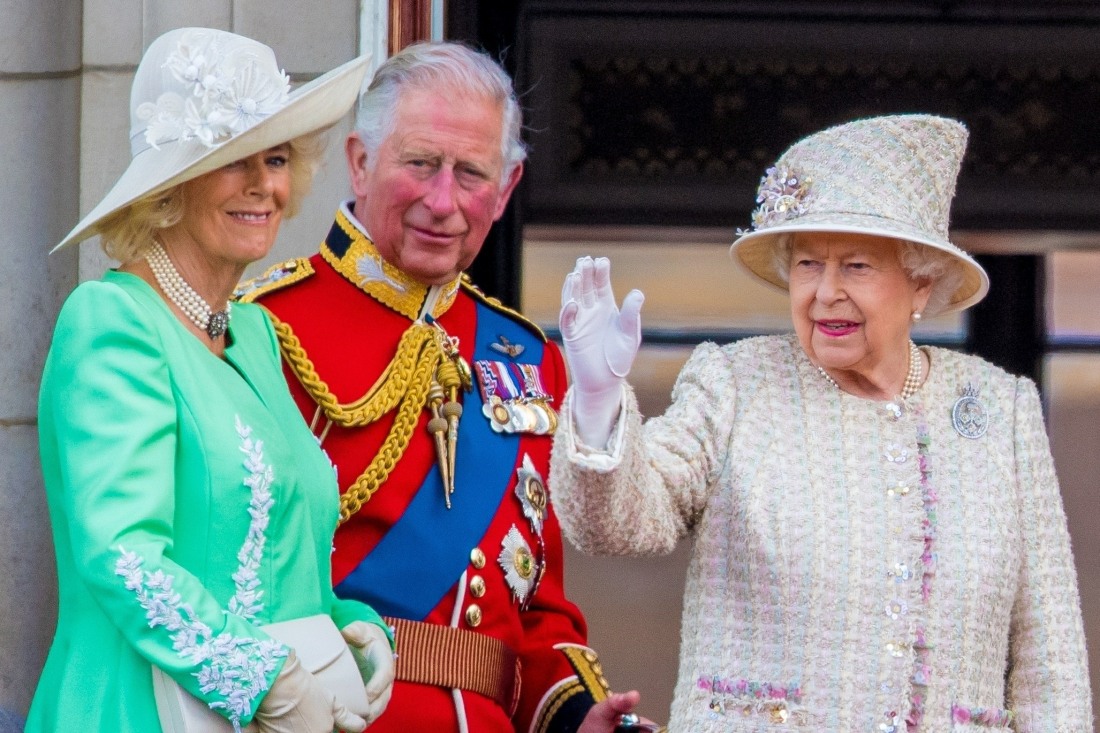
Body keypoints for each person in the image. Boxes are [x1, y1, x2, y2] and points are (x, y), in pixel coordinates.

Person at [550, 114, 1092, 731]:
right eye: (808, 265)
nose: (825, 293)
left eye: (856, 267)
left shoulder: (1001, 410)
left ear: (919, 284)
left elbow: (1051, 663)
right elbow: (619, 525)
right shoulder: (736, 383)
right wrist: (599, 400)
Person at [238, 41, 645, 733]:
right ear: (361, 162)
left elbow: (538, 607)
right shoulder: (263, 329)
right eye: (421, 164)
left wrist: (580, 714)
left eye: (471, 173)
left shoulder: (527, 357)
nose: (443, 201)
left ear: (508, 186)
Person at [30, 27, 395, 732]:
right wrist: (260, 678)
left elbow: (286, 557)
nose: (264, 185)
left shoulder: (254, 334)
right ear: (171, 187)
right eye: (233, 161)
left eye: (277, 158)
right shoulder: (110, 322)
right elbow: (123, 556)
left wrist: (351, 623)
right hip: (130, 709)